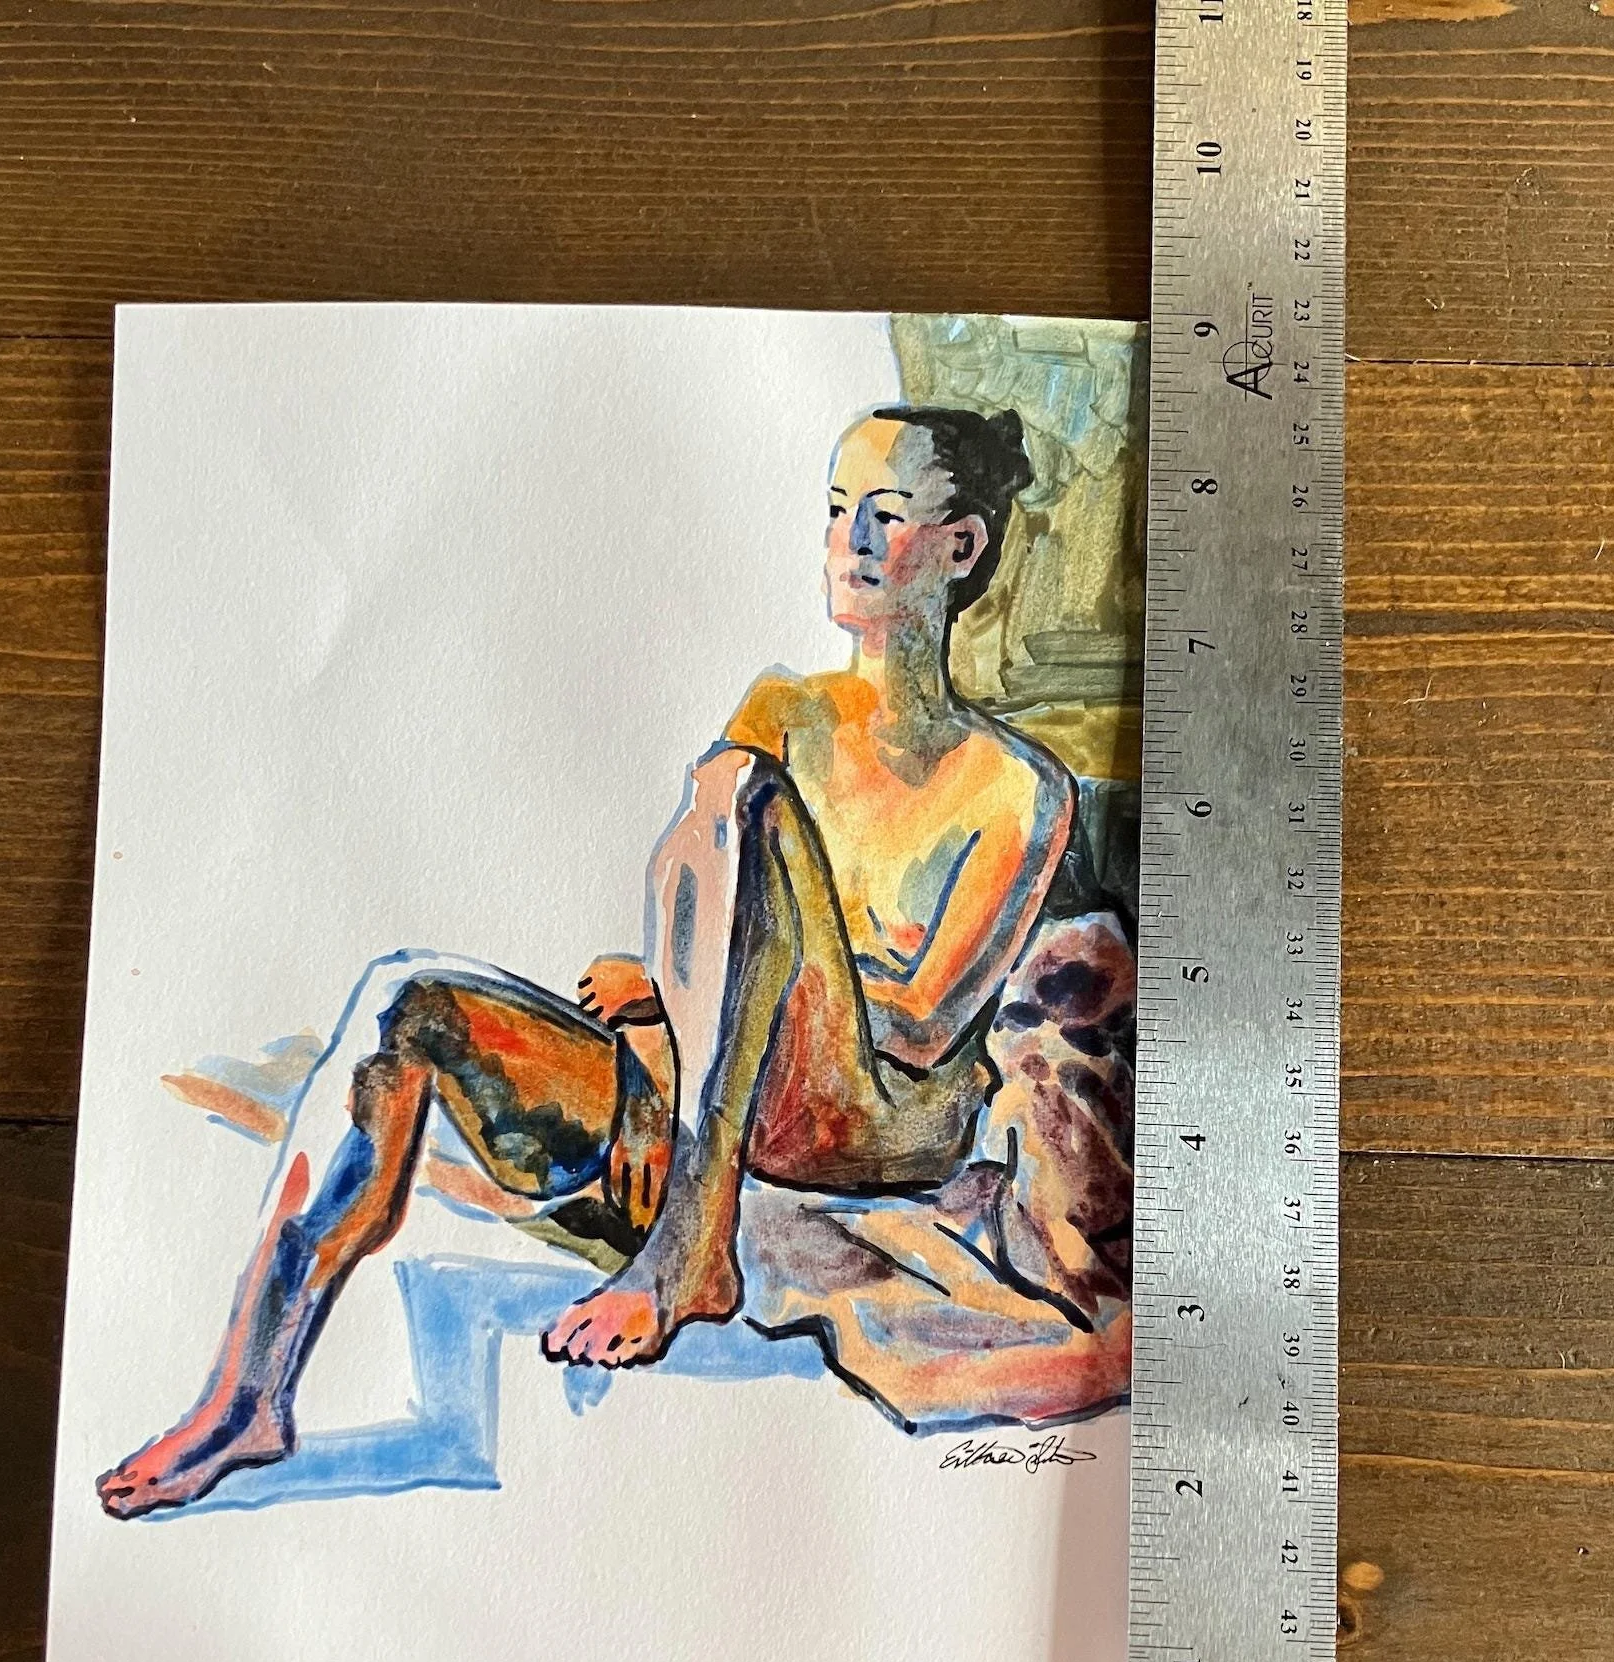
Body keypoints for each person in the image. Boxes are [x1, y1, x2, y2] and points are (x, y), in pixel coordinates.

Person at [97, 404, 1132, 1519]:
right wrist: (667, 1011)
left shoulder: (1018, 786)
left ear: (962, 546)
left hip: (870, 1123)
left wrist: (707, 990)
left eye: (886, 514)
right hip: (725, 1087)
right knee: (410, 1004)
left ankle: (689, 1247)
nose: (853, 542)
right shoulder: (785, 710)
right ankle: (245, 1395)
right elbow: (712, 912)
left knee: (741, 793)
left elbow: (922, 1026)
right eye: (838, 511)